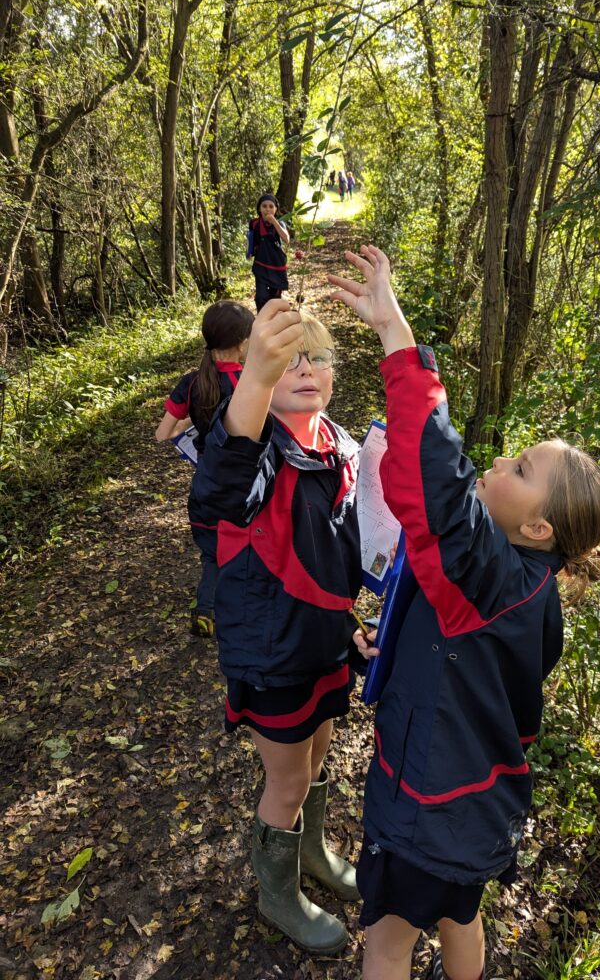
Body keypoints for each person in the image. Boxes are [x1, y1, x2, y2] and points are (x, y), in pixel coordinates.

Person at [328, 246, 600, 980]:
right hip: (476, 806)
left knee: (388, 941)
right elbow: (461, 653)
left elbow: (434, 480)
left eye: (521, 470)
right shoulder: (528, 584)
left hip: (427, 803)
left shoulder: (490, 572)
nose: (500, 464)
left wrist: (394, 330)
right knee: (461, 914)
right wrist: (385, 647)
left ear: (540, 528)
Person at [189, 301, 363, 955]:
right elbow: (217, 493)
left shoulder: (339, 445)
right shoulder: (259, 447)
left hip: (321, 637)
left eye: (318, 356)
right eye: (288, 360)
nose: (306, 368)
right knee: (285, 779)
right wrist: (256, 380)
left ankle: (311, 852)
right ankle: (277, 893)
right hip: (270, 646)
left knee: (318, 754)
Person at [155, 300, 254, 638]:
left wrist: (197, 423)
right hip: (243, 490)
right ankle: (240, 613)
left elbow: (163, 433)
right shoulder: (251, 384)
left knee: (212, 556)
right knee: (246, 552)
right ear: (243, 343)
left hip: (205, 491)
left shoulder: (192, 383)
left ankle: (205, 610)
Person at [249, 192, 291, 310]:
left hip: (277, 265)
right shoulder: (254, 223)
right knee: (261, 297)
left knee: (275, 299)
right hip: (261, 264)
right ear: (259, 209)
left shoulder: (280, 223)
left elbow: (286, 239)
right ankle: (262, 321)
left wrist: (274, 222)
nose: (267, 209)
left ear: (276, 209)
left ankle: (275, 322)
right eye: (264, 206)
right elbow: (252, 239)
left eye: (271, 206)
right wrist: (250, 252)